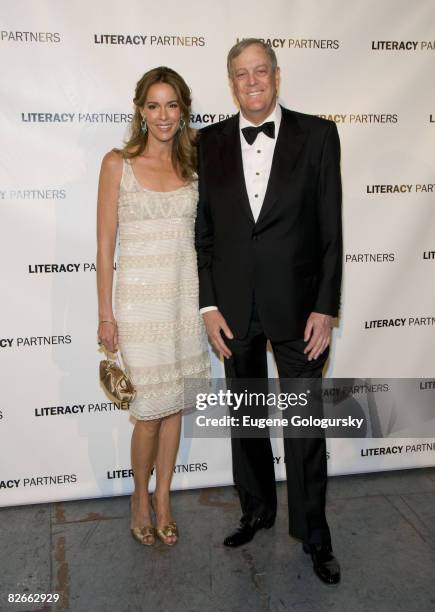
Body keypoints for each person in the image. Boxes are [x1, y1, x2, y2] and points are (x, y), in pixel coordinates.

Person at [195, 39, 342, 584]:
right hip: (234, 310)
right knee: (247, 420)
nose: (251, 81)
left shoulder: (319, 135)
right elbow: (204, 234)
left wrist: (326, 308)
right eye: (240, 74)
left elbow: (331, 231)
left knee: (305, 426)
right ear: (230, 82)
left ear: (277, 77)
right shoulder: (207, 142)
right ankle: (256, 510)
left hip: (301, 309)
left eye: (260, 71)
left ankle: (315, 534)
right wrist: (209, 304)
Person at [97, 67, 210, 547]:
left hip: (184, 301)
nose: (162, 115)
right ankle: (138, 497)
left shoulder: (194, 166)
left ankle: (163, 498)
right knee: (147, 412)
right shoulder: (116, 163)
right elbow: (105, 247)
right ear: (140, 110)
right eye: (153, 105)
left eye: (171, 105)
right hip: (139, 308)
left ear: (183, 109)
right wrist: (106, 315)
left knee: (175, 408)